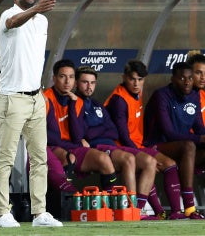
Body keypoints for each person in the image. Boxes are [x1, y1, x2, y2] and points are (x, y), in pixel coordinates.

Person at [0, 0, 62, 228]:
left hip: (36, 97)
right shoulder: (8, 15)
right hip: (12, 97)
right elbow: (12, 22)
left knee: (39, 158)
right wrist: (35, 9)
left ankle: (40, 212)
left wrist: (37, 11)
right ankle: (1, 213)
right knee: (5, 158)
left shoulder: (42, 20)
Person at [75, 65, 182, 220]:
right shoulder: (77, 103)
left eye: (92, 83)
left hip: (110, 145)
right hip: (97, 148)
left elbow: (112, 130)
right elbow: (85, 132)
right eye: (85, 82)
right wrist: (98, 130)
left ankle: (138, 210)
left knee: (150, 162)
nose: (89, 86)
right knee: (130, 159)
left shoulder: (97, 104)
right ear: (77, 83)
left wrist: (96, 130)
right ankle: (132, 209)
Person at [105, 59, 201, 219]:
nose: (136, 83)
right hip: (122, 146)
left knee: (170, 165)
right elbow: (122, 134)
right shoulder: (119, 100)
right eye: (132, 79)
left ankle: (173, 212)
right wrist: (141, 152)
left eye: (140, 80)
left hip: (137, 144)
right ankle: (139, 211)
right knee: (150, 162)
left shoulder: (136, 93)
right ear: (123, 77)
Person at [44, 60, 119, 195]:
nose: (67, 81)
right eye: (62, 76)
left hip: (71, 145)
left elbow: (78, 135)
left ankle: (110, 205)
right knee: (69, 158)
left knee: (104, 159)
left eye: (71, 77)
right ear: (54, 79)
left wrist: (72, 105)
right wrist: (76, 143)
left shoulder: (77, 101)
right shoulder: (46, 98)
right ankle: (66, 203)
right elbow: (51, 136)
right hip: (52, 147)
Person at [143, 61, 205, 219]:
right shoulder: (162, 95)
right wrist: (200, 138)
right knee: (189, 146)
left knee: (190, 146)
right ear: (173, 79)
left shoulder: (194, 96)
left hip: (181, 147)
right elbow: (169, 133)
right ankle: (190, 207)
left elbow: (199, 128)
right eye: (182, 78)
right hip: (156, 145)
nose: (187, 82)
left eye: (190, 78)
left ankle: (188, 173)